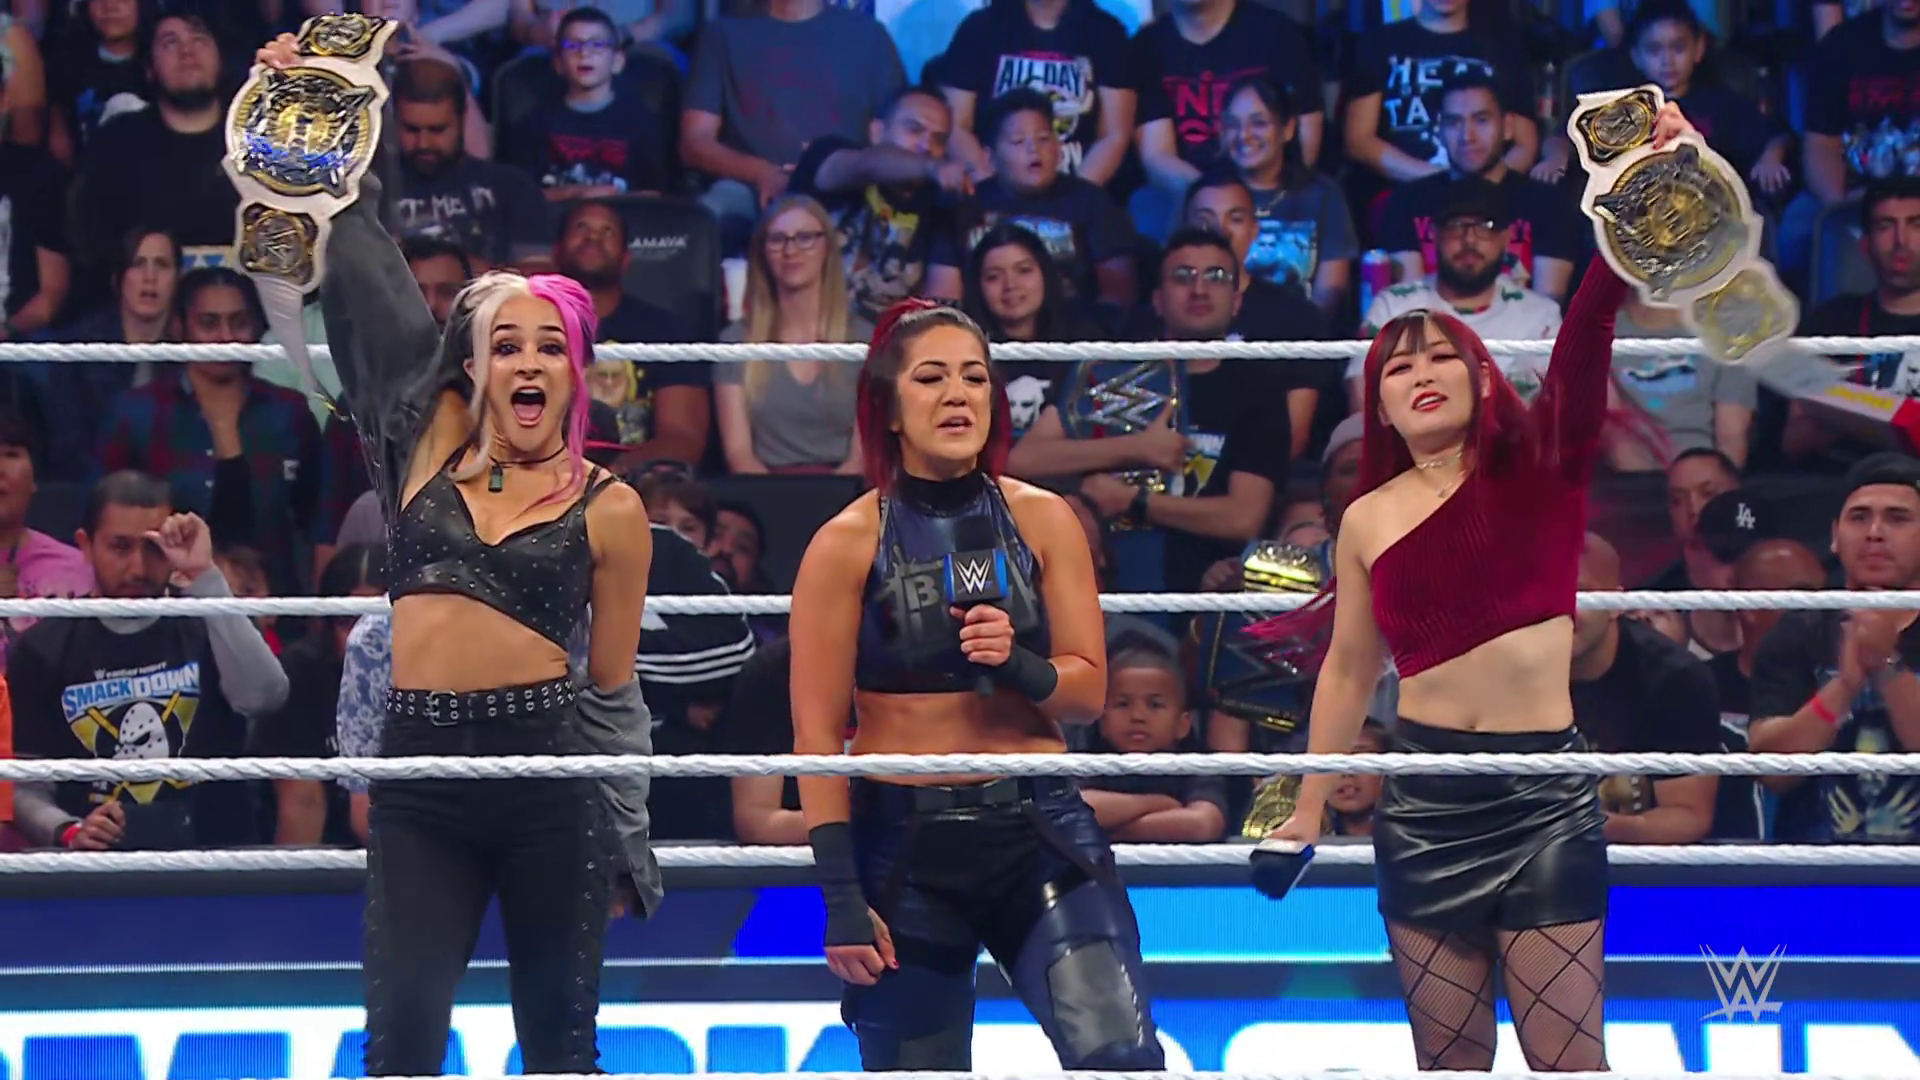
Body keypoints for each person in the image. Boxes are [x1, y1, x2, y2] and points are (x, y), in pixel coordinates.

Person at [1252, 95, 1699, 1080]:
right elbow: (1347, 672)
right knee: (1450, 1060)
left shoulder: (1541, 463)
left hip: (1545, 797)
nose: (1418, 371)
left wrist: (1638, 183)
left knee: (1567, 1058)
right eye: (1396, 365)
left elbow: (1589, 325)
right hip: (1426, 798)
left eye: (1439, 354)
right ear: (1376, 402)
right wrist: (1305, 809)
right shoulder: (1368, 516)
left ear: (1483, 374)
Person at [253, 31, 662, 1079]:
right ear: (470, 365)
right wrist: (317, 96)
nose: (527, 361)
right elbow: (360, 255)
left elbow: (614, 694)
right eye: (505, 344)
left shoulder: (612, 507)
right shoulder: (420, 435)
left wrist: (628, 834)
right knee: (401, 1045)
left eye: (548, 347)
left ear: (575, 373)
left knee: (561, 1049)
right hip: (420, 775)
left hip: (548, 772)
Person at [788, 298, 1163, 1070]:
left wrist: (1018, 663)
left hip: (1038, 831)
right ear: (890, 407)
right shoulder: (844, 543)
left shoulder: (1045, 519)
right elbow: (817, 736)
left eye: (974, 378)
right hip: (905, 846)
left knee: (1120, 1056)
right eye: (931, 378)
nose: (957, 394)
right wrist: (841, 897)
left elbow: (1087, 693)